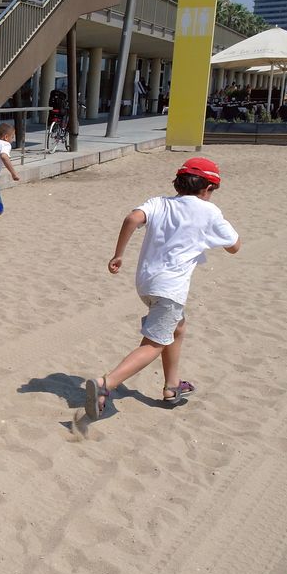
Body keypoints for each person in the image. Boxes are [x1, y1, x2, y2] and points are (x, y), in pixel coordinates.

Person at [83, 157, 241, 421]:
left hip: (146, 283)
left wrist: (118, 254)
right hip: (170, 288)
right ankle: (106, 383)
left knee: (177, 327)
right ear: (208, 188)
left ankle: (172, 386)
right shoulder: (208, 211)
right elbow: (234, 246)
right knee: (155, 342)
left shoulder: (159, 202)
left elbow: (132, 218)